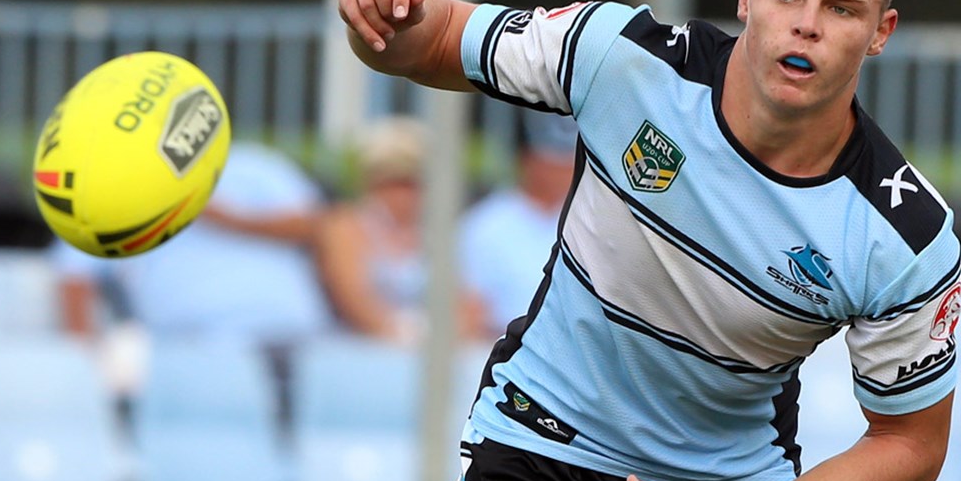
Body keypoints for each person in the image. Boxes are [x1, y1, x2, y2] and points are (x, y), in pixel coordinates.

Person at [337, 0, 961, 481]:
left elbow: (910, 444)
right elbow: (435, 37)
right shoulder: (621, 57)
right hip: (540, 440)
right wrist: (385, 19)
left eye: (841, 9)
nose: (806, 26)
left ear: (881, 31)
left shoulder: (905, 237)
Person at [54, 142, 333, 353]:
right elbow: (74, 274)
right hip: (184, 347)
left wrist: (220, 215)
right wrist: (85, 364)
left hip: (288, 338)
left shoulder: (252, 164)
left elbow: (316, 226)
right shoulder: (115, 192)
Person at [313, 117, 487, 343]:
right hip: (364, 344)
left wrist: (443, 336)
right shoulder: (344, 225)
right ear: (371, 183)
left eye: (414, 184)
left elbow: (470, 303)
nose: (405, 195)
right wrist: (403, 334)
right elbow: (352, 299)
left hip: (435, 345)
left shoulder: (440, 233)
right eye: (394, 183)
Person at [457, 112, 580, 339]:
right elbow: (467, 311)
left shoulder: (585, 222)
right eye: (553, 162)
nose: (565, 171)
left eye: (569, 162)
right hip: (499, 347)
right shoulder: (485, 224)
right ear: (527, 160)